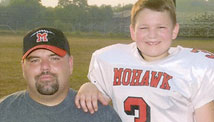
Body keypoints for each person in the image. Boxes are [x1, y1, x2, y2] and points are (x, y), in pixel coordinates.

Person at [75, 0, 214, 122]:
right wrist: (89, 86)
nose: (152, 35)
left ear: (174, 30)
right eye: (144, 28)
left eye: (161, 27)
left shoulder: (195, 67)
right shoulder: (111, 60)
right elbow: (98, 100)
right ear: (132, 32)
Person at [0, 27, 122, 122]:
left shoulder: (100, 115)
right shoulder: (3, 111)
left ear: (70, 64)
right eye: (34, 60)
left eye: (54, 58)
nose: (45, 67)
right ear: (23, 67)